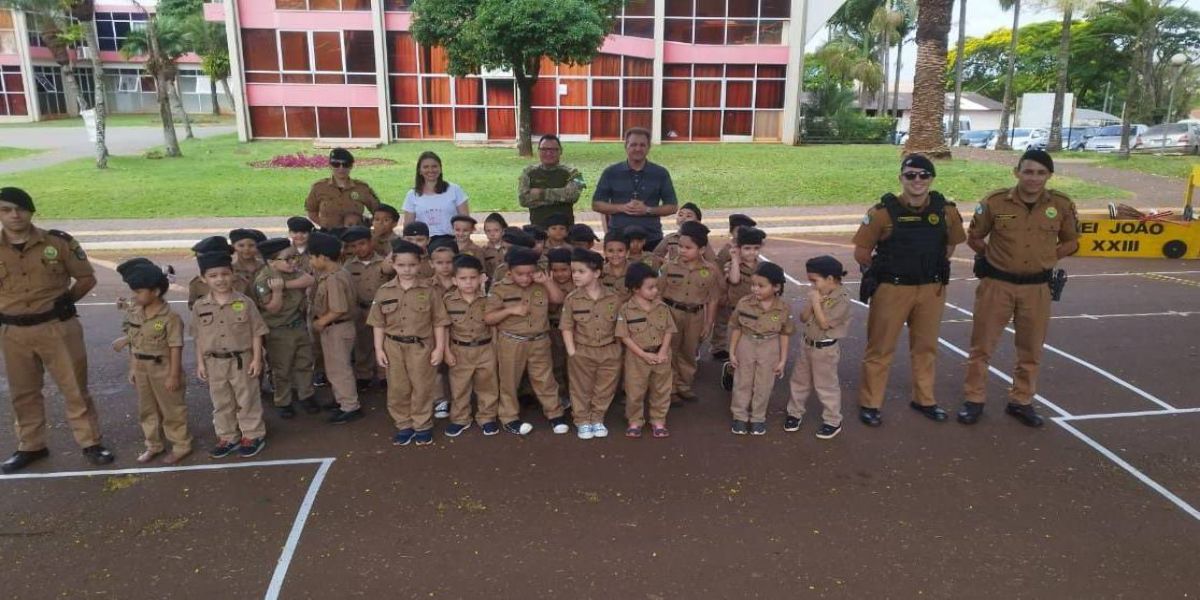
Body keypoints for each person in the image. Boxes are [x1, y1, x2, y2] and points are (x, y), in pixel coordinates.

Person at [957, 149, 1080, 428]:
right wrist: (992, 256)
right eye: (1028, 172)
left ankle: (1021, 400)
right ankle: (974, 399)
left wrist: (1047, 258)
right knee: (981, 346)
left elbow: (1072, 241)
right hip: (997, 284)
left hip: (1037, 288)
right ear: (1017, 172)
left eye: (1040, 173)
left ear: (1049, 175)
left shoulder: (1061, 205)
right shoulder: (995, 201)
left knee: (1031, 350)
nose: (1033, 178)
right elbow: (974, 237)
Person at [0, 187, 113, 474]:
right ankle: (31, 445)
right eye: (6, 210)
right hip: (14, 332)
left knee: (74, 388)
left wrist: (64, 304)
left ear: (31, 211)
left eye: (20, 209)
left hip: (57, 327)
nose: (14, 215)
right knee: (23, 392)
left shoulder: (58, 242)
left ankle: (91, 442)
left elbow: (86, 278)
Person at [853, 155, 966, 427]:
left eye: (924, 175)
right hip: (892, 289)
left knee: (926, 347)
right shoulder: (881, 213)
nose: (917, 180)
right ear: (901, 178)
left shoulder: (946, 211)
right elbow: (862, 253)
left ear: (932, 178)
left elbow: (950, 246)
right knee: (880, 348)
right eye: (911, 175)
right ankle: (870, 403)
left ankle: (924, 399)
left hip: (930, 289)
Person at [191, 250, 269, 459]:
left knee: (247, 398)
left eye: (225, 274)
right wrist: (200, 363)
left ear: (233, 274)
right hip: (214, 362)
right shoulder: (200, 306)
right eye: (213, 276)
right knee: (221, 401)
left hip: (241, 360)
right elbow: (198, 337)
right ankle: (228, 436)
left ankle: (252, 434)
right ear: (203, 279)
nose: (220, 279)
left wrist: (257, 359)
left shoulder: (245, 302)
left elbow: (257, 332)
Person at [371, 239, 449, 446]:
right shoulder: (384, 291)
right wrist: (378, 349)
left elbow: (439, 322)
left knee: (422, 386)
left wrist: (439, 348)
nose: (407, 269)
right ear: (393, 264)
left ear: (420, 264)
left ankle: (422, 424)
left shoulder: (430, 290)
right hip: (393, 346)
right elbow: (378, 323)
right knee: (397, 388)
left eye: (412, 265)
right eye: (401, 265)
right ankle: (404, 424)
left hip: (421, 347)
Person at [484, 247, 567, 435]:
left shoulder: (540, 285)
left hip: (539, 340)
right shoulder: (500, 289)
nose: (525, 278)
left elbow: (558, 299)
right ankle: (509, 417)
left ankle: (555, 413)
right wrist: (509, 310)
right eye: (520, 274)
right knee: (509, 381)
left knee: (545, 379)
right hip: (512, 341)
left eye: (530, 273)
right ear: (509, 272)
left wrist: (547, 281)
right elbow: (488, 318)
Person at [118, 259, 192, 464]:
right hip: (141, 367)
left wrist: (174, 375)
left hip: (163, 368)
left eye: (139, 292)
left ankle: (181, 445)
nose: (134, 296)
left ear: (156, 292)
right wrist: (133, 368)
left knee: (172, 408)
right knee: (147, 409)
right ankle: (153, 445)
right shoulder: (135, 312)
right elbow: (133, 342)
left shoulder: (170, 317)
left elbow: (176, 346)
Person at [251, 238, 318, 418]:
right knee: (282, 368)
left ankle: (306, 395)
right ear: (271, 262)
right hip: (278, 330)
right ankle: (283, 401)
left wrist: (284, 286)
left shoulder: (292, 271)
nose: (293, 262)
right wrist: (277, 292)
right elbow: (273, 308)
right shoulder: (264, 279)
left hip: (297, 325)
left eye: (294, 257)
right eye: (287, 259)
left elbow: (309, 279)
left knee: (304, 362)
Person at [787, 256, 852, 440]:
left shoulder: (842, 300)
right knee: (799, 381)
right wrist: (812, 302)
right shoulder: (817, 293)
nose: (812, 285)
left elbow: (824, 324)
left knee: (826, 386)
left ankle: (832, 420)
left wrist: (816, 302)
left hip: (825, 350)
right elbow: (803, 318)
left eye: (815, 281)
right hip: (807, 344)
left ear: (830, 278)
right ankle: (794, 412)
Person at [560, 248, 622, 440]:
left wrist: (618, 350)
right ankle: (582, 420)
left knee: (605, 387)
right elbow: (567, 327)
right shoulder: (572, 299)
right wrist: (572, 352)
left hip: (609, 350)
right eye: (574, 271)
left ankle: (597, 418)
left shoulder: (614, 298)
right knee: (581, 388)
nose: (575, 275)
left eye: (581, 271)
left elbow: (620, 325)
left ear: (596, 273)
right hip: (582, 350)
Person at [728, 263, 794, 436]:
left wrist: (782, 360)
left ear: (776, 287)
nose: (755, 289)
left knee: (764, 384)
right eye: (753, 284)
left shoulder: (783, 308)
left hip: (770, 346)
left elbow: (784, 333)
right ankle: (740, 416)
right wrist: (732, 352)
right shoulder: (744, 303)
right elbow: (736, 328)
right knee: (742, 381)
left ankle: (758, 417)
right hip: (746, 343)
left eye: (761, 285)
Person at [660, 221, 721, 403]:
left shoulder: (710, 271)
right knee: (670, 350)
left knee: (689, 351)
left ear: (701, 250)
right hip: (671, 313)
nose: (682, 250)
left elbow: (713, 298)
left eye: (688, 247)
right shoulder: (668, 267)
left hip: (695, 316)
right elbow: (658, 294)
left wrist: (709, 323)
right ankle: (670, 388)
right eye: (680, 246)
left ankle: (684, 385)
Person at [592, 127, 679, 250]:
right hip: (618, 240)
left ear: (649, 147)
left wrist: (647, 210)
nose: (638, 149)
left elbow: (672, 206)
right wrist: (622, 207)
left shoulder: (661, 173)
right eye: (633, 145)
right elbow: (596, 204)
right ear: (626, 146)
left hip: (651, 238)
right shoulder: (610, 172)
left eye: (642, 145)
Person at [616, 263, 676, 438]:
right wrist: (643, 354)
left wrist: (663, 351)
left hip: (661, 355)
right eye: (650, 288)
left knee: (662, 390)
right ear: (636, 289)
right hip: (637, 356)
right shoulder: (626, 310)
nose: (655, 291)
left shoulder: (662, 308)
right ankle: (635, 421)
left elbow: (669, 330)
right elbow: (624, 336)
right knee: (635, 390)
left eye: (656, 286)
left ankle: (658, 420)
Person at [308, 231, 363, 424]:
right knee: (335, 367)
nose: (311, 261)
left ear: (323, 257)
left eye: (312, 257)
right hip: (338, 328)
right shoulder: (338, 273)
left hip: (337, 328)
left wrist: (320, 322)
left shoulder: (333, 278)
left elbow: (338, 309)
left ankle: (350, 406)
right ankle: (342, 399)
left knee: (339, 369)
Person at [442, 255, 500, 436]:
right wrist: (446, 351)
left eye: (473, 278)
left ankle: (487, 417)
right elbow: (444, 327)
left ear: (481, 278)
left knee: (488, 385)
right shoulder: (448, 300)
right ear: (454, 280)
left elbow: (494, 326)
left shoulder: (489, 299)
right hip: (459, 350)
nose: (468, 282)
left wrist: (496, 349)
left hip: (485, 348)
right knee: (459, 387)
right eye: (463, 278)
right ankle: (460, 418)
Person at [341, 226, 391, 391]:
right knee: (362, 343)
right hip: (360, 309)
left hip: (382, 309)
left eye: (362, 244)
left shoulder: (383, 262)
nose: (359, 248)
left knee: (383, 343)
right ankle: (364, 375)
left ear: (371, 242)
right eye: (354, 246)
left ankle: (384, 375)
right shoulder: (349, 266)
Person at [718, 226, 765, 382]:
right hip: (737, 314)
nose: (752, 252)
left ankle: (748, 375)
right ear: (738, 249)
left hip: (757, 313)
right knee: (736, 346)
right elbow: (734, 280)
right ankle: (731, 371)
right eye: (747, 248)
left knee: (753, 346)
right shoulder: (732, 265)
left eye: (756, 248)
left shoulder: (762, 268)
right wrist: (735, 259)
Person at [519, 134, 585, 228]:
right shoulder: (527, 172)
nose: (548, 153)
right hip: (538, 230)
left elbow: (573, 196)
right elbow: (523, 200)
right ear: (538, 151)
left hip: (565, 230)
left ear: (561, 151)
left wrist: (541, 194)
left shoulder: (575, 172)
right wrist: (560, 198)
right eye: (544, 149)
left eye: (553, 150)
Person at [305, 148, 381, 230]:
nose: (341, 168)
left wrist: (365, 225)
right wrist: (324, 226)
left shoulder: (362, 188)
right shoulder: (319, 187)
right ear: (330, 166)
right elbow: (311, 211)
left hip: (354, 235)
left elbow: (379, 212)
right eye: (336, 164)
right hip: (329, 234)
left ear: (351, 166)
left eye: (346, 164)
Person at [402, 151, 470, 237]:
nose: (430, 170)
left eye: (434, 166)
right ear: (419, 171)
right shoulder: (412, 195)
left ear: (440, 169)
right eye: (426, 167)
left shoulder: (455, 190)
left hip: (451, 239)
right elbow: (408, 227)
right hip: (423, 240)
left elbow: (466, 220)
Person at [545, 247, 575, 408]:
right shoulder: (545, 284)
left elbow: (561, 300)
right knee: (555, 365)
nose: (559, 274)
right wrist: (549, 283)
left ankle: (576, 397)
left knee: (573, 366)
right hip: (553, 330)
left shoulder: (578, 284)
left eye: (564, 270)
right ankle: (561, 396)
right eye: (555, 270)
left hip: (573, 332)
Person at [230, 228, 266, 297]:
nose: (246, 249)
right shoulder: (231, 269)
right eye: (241, 245)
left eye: (251, 245)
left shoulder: (264, 266)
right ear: (233, 246)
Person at [600, 230, 631, 302]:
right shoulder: (599, 273)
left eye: (620, 250)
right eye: (610, 251)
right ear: (604, 252)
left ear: (627, 252)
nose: (615, 255)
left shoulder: (637, 272)